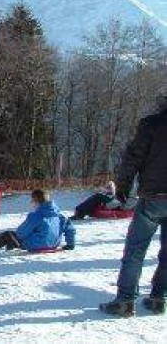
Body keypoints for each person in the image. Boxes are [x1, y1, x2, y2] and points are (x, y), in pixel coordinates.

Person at [100, 99, 167, 316]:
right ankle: (158, 298)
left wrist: (122, 188)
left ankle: (125, 301)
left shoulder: (152, 124)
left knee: (135, 250)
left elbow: (133, 158)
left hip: (153, 196)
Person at [0, 189, 75, 257]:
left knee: (8, 235)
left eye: (32, 201)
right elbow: (70, 229)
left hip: (37, 246)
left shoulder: (36, 215)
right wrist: (70, 244)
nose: (32, 204)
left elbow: (21, 233)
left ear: (36, 201)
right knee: (15, 237)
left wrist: (14, 238)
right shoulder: (59, 216)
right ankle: (6, 246)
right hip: (54, 245)